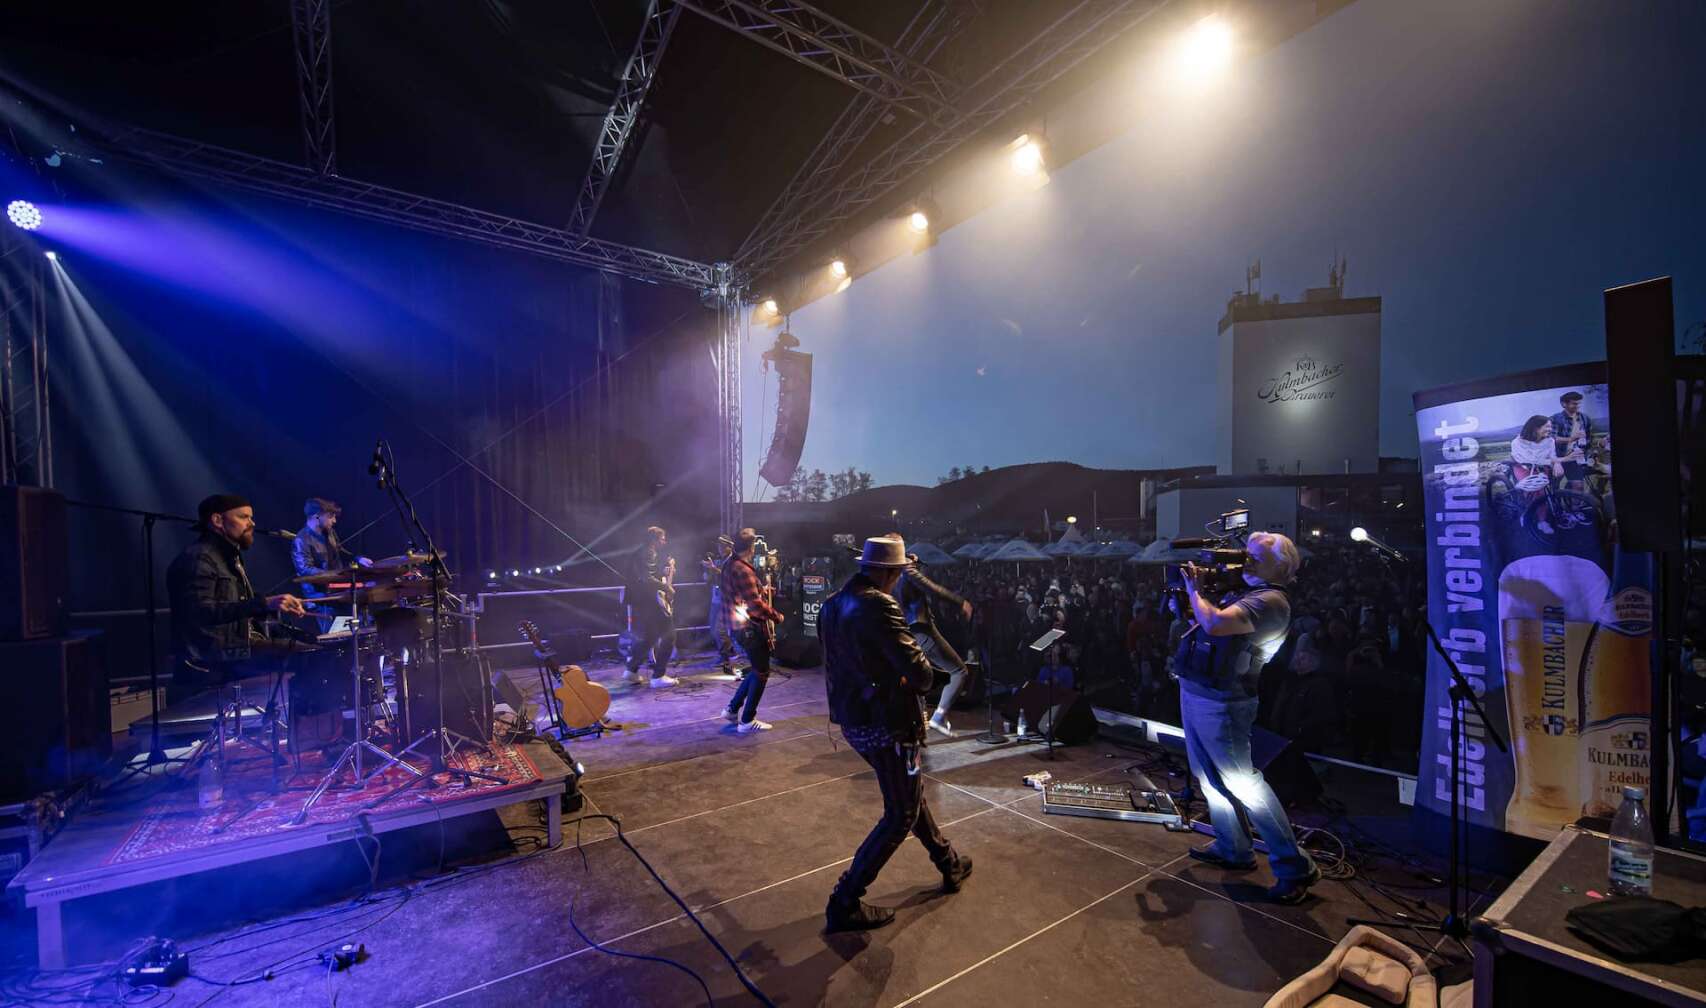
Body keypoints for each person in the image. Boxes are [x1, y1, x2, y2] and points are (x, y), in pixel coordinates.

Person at [820, 535, 972, 932]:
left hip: (854, 721)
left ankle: (948, 862)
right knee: (901, 811)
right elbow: (921, 675)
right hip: (889, 723)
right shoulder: (882, 604)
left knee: (907, 794)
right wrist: (913, 672)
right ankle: (845, 900)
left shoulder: (832, 604)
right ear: (891, 572)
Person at [1176, 531, 1319, 904]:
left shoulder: (1271, 601)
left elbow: (1217, 624)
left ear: (1281, 567)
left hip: (1224, 702)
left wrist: (1195, 589)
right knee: (1208, 778)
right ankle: (1233, 848)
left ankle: (1294, 867)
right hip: (1200, 691)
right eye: (1247, 555)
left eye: (1257, 557)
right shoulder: (1248, 592)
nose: (1247, 562)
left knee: (1243, 783)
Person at [167, 494, 307, 698]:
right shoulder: (199, 559)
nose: (252, 523)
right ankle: (305, 726)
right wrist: (263, 603)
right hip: (217, 655)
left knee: (315, 646)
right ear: (217, 521)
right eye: (244, 517)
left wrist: (273, 605)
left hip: (235, 648)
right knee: (309, 656)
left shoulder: (227, 556)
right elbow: (200, 612)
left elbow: (235, 606)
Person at [890, 544, 974, 736]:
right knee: (959, 671)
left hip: (905, 631)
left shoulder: (890, 573)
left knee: (917, 679)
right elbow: (933, 589)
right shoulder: (908, 571)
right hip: (921, 630)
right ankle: (939, 716)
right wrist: (961, 602)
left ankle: (917, 720)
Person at [720, 528, 784, 732]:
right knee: (762, 671)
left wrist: (762, 590)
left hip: (737, 625)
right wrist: (776, 615)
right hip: (749, 627)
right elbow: (755, 605)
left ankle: (732, 709)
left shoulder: (730, 563)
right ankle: (747, 720)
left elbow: (745, 593)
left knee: (757, 669)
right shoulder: (743, 569)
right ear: (752, 546)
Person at [291, 497, 368, 632]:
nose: (334, 520)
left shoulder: (330, 533)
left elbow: (340, 551)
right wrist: (334, 575)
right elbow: (305, 570)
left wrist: (357, 558)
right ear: (317, 517)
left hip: (337, 592)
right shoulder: (301, 540)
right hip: (320, 599)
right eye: (331, 516)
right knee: (335, 636)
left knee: (358, 625)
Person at [625, 526, 678, 688]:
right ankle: (658, 676)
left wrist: (663, 573)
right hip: (650, 601)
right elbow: (646, 578)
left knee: (650, 637)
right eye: (662, 538)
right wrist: (666, 587)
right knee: (669, 636)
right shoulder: (649, 552)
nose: (664, 541)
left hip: (640, 601)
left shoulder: (640, 552)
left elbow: (645, 574)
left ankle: (631, 670)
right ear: (654, 540)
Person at [701, 535, 738, 675]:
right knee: (713, 628)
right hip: (716, 598)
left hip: (726, 599)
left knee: (719, 629)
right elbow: (709, 579)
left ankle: (729, 656)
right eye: (718, 545)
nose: (720, 548)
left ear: (730, 546)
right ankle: (728, 655)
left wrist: (714, 569)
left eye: (723, 545)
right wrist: (707, 569)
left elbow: (729, 576)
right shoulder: (720, 560)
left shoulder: (733, 561)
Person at [1550, 390, 1594, 487]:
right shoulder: (1555, 419)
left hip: (1575, 458)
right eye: (1574, 404)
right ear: (1563, 404)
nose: (1577, 406)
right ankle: (1556, 501)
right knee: (1554, 486)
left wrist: (1586, 453)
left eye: (1578, 404)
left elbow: (1589, 438)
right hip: (1559, 458)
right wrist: (1571, 439)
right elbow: (1551, 439)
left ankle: (1572, 501)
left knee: (1578, 485)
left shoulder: (1585, 418)